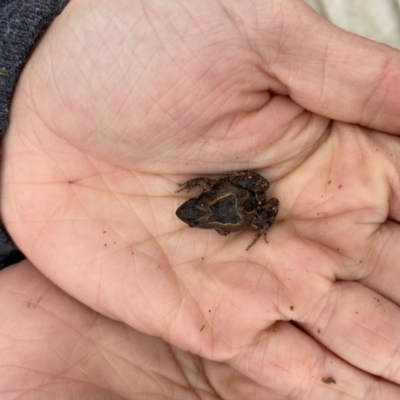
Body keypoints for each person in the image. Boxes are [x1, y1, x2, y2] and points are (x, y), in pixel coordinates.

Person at [2, 0, 400, 397]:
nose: (188, 214)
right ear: (197, 218)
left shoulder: (212, 218)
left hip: (246, 196)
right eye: (191, 216)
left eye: (191, 214)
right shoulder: (211, 217)